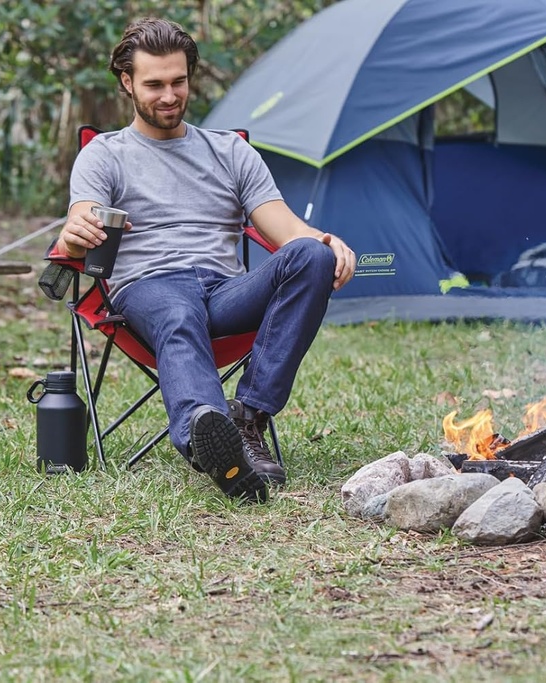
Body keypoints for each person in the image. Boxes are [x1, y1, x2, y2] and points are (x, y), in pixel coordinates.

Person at [55, 17, 355, 504]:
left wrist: (326, 241)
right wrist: (75, 236)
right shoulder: (104, 155)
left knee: (311, 257)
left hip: (223, 291)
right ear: (128, 83)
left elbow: (284, 228)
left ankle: (246, 419)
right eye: (154, 84)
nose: (169, 95)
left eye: (178, 81)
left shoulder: (229, 151)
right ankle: (206, 439)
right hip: (149, 288)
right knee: (178, 314)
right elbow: (83, 220)